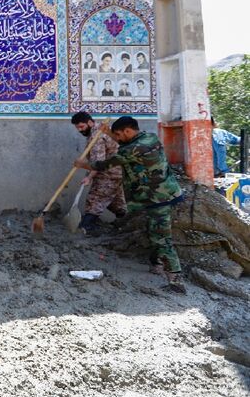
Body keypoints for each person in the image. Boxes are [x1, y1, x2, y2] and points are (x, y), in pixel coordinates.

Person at [74, 116, 186, 293]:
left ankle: (176, 280)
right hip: (164, 193)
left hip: (158, 198)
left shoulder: (133, 149)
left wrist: (83, 165)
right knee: (152, 230)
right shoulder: (149, 138)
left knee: (161, 238)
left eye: (118, 134)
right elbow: (124, 145)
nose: (116, 138)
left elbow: (107, 163)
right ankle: (156, 264)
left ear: (127, 131)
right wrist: (109, 132)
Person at [70, 112, 127, 235]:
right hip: (118, 172)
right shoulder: (99, 131)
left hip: (109, 173)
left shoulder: (97, 136)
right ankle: (126, 222)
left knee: (95, 198)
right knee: (115, 201)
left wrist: (89, 177)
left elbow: (98, 162)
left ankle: (87, 227)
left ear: (90, 122)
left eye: (81, 127)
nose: (80, 130)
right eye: (77, 128)